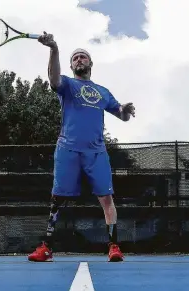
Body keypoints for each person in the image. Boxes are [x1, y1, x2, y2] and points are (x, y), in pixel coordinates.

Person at [27, 32, 135, 263]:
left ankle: (114, 246)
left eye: (83, 57)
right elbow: (53, 79)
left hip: (96, 153)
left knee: (106, 199)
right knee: (57, 198)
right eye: (75, 58)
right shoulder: (67, 84)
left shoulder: (103, 92)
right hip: (67, 149)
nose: (79, 60)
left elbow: (122, 116)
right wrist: (54, 48)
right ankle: (46, 247)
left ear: (90, 63)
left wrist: (125, 109)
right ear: (71, 64)